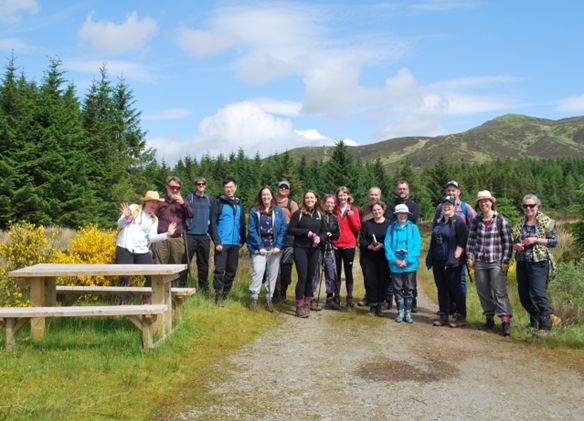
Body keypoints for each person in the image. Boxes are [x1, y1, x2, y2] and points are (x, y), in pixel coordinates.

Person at [466, 190, 514, 336]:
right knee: (483, 291)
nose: (484, 203)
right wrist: (469, 256)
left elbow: (508, 242)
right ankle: (489, 319)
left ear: (491, 202)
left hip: (496, 261)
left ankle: (505, 321)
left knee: (499, 291)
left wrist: (506, 261)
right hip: (480, 261)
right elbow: (471, 240)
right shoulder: (477, 221)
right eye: (481, 201)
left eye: (486, 201)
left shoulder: (501, 220)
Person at [116, 191, 176, 304]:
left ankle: (145, 298)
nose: (154, 205)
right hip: (125, 247)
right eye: (152, 202)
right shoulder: (134, 208)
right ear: (146, 201)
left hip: (141, 250)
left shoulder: (154, 219)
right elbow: (120, 224)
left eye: (157, 203)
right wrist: (126, 217)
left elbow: (152, 238)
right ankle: (122, 299)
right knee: (124, 276)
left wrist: (167, 234)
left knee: (151, 276)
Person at [512, 194, 558, 335]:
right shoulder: (520, 223)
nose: (528, 208)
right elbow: (513, 241)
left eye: (531, 205)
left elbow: (554, 242)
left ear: (538, 206)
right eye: (525, 206)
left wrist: (535, 240)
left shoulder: (546, 222)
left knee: (538, 294)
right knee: (524, 295)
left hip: (539, 262)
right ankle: (535, 322)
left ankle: (546, 327)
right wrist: (516, 246)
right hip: (522, 261)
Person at [433, 180, 476, 313]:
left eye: (453, 190)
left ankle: (459, 310)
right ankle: (448, 309)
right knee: (445, 282)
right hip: (443, 252)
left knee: (459, 283)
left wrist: (468, 246)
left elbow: (475, 224)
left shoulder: (465, 207)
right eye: (449, 190)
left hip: (459, 251)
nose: (451, 192)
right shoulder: (440, 207)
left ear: (458, 192)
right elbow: (435, 225)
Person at [426, 196, 469, 328]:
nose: (447, 206)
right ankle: (443, 315)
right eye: (444, 204)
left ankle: (461, 316)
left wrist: (458, 253)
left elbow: (464, 238)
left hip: (452, 262)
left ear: (454, 207)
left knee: (456, 289)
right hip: (438, 261)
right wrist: (430, 258)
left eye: (449, 204)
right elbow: (434, 240)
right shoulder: (439, 222)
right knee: (442, 288)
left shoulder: (458, 221)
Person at [246, 186, 287, 312]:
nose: (266, 197)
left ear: (271, 196)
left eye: (268, 194)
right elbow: (252, 230)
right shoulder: (255, 211)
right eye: (263, 195)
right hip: (259, 247)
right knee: (258, 271)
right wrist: (260, 247)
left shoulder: (278, 211)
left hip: (274, 248)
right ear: (260, 196)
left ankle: (269, 299)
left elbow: (283, 229)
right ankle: (254, 297)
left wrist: (278, 246)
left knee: (272, 275)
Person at [287, 190, 326, 318]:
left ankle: (308, 303)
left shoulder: (320, 215)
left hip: (314, 250)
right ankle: (299, 306)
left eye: (312, 198)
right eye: (307, 198)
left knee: (310, 277)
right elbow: (291, 229)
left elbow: (325, 232)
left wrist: (320, 238)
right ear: (304, 200)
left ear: (316, 200)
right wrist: (306, 233)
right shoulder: (298, 214)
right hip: (300, 249)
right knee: (302, 277)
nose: (309, 200)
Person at [209, 177, 246, 307]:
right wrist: (217, 241)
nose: (229, 189)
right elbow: (212, 224)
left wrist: (243, 239)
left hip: (235, 243)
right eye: (226, 187)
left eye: (231, 187)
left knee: (231, 271)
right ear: (223, 189)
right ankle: (218, 296)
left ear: (235, 187)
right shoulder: (218, 202)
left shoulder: (239, 203)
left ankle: (226, 293)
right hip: (222, 243)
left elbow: (242, 223)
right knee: (219, 270)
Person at [385, 179, 421, 311]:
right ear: (397, 190)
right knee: (395, 281)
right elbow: (389, 219)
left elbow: (413, 219)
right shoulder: (391, 205)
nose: (402, 191)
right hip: (395, 256)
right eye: (400, 188)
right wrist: (394, 259)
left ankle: (412, 304)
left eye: (404, 188)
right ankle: (395, 305)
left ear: (408, 190)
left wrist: (408, 259)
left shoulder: (414, 205)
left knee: (411, 282)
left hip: (409, 255)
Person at [152, 176, 193, 287]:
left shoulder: (183, 200)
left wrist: (183, 204)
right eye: (172, 187)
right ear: (167, 187)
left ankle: (174, 296)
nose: (175, 190)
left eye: (177, 188)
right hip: (161, 239)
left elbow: (191, 214)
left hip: (177, 239)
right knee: (160, 267)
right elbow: (152, 216)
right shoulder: (160, 200)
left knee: (176, 268)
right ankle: (159, 295)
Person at [359, 201, 391, 317]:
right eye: (374, 210)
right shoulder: (367, 224)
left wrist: (383, 245)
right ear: (372, 212)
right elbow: (361, 240)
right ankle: (372, 306)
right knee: (370, 281)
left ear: (383, 210)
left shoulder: (389, 224)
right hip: (369, 257)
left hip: (383, 257)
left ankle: (380, 306)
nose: (377, 212)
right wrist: (369, 246)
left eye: (379, 210)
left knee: (383, 281)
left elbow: (392, 240)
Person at [333, 186, 361, 307]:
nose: (342, 197)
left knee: (348, 271)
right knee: (336, 272)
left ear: (348, 196)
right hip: (336, 244)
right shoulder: (334, 210)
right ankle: (337, 296)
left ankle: (349, 296)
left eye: (344, 195)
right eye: (340, 195)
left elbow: (357, 227)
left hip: (349, 244)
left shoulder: (354, 210)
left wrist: (350, 215)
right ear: (337, 197)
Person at [311, 194, 340, 310]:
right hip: (317, 247)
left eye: (332, 203)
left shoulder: (334, 218)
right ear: (323, 203)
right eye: (328, 202)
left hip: (329, 247)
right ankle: (311, 298)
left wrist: (331, 235)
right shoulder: (318, 215)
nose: (330, 205)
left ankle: (329, 298)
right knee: (314, 273)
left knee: (331, 272)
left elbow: (337, 234)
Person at [185, 176, 212, 296]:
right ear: (195, 185)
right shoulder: (189, 198)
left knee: (203, 264)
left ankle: (204, 288)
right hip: (190, 235)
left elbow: (213, 218)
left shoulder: (209, 199)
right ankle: (181, 285)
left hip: (204, 236)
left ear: (206, 185)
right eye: (198, 184)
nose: (201, 186)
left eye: (203, 184)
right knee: (185, 262)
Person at [274, 180, 299, 303]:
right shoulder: (271, 202)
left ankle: (283, 293)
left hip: (289, 238)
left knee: (286, 266)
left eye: (286, 187)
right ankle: (274, 292)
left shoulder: (292, 204)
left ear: (289, 190)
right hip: (273, 237)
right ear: (277, 188)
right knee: (273, 267)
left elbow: (297, 222)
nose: (283, 189)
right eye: (281, 187)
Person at [358, 186, 382, 307]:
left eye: (376, 195)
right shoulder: (363, 209)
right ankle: (368, 297)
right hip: (366, 248)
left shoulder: (385, 208)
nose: (374, 197)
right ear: (368, 195)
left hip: (382, 248)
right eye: (372, 195)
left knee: (383, 274)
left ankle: (383, 299)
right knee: (367, 275)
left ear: (380, 196)